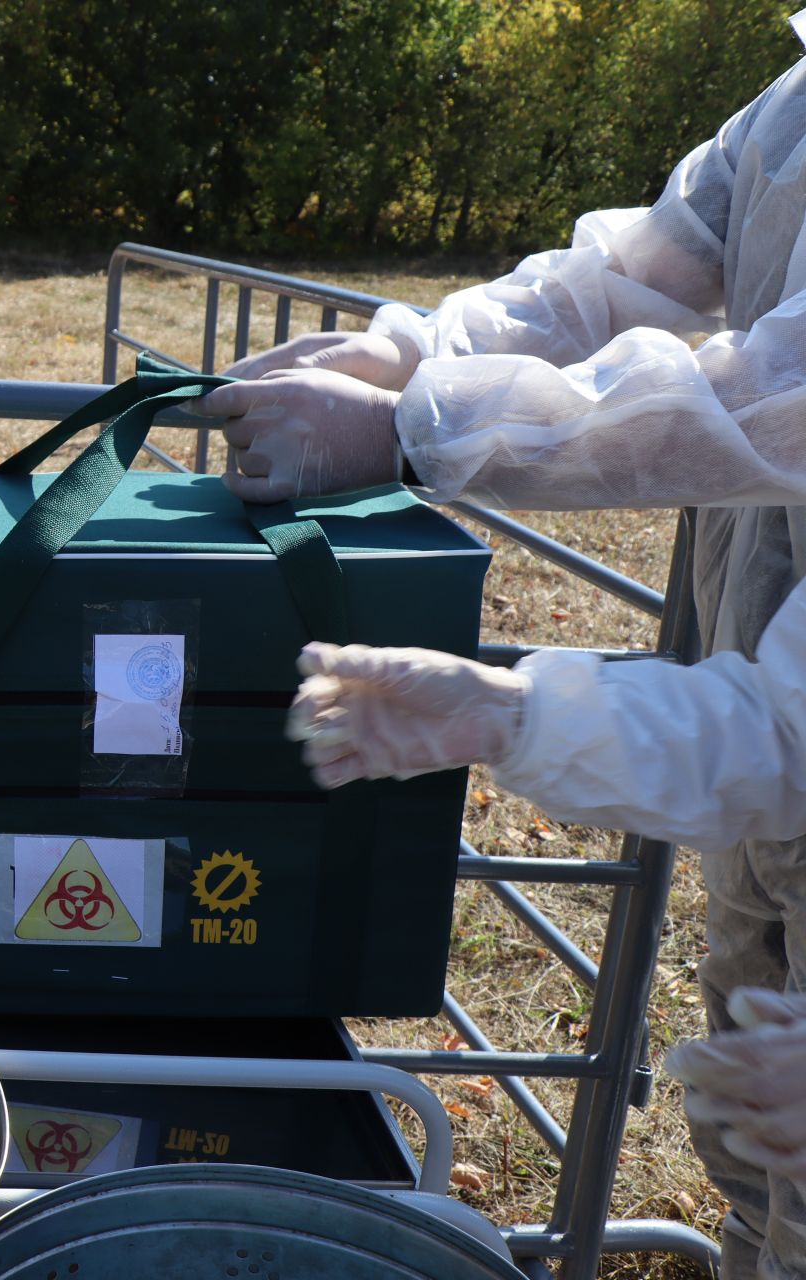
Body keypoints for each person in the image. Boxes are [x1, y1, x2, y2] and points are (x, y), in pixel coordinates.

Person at [193, 23, 806, 1276]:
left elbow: (760, 397)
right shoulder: (798, 103)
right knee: (767, 1162)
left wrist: (416, 427)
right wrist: (416, 348)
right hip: (774, 677)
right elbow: (625, 274)